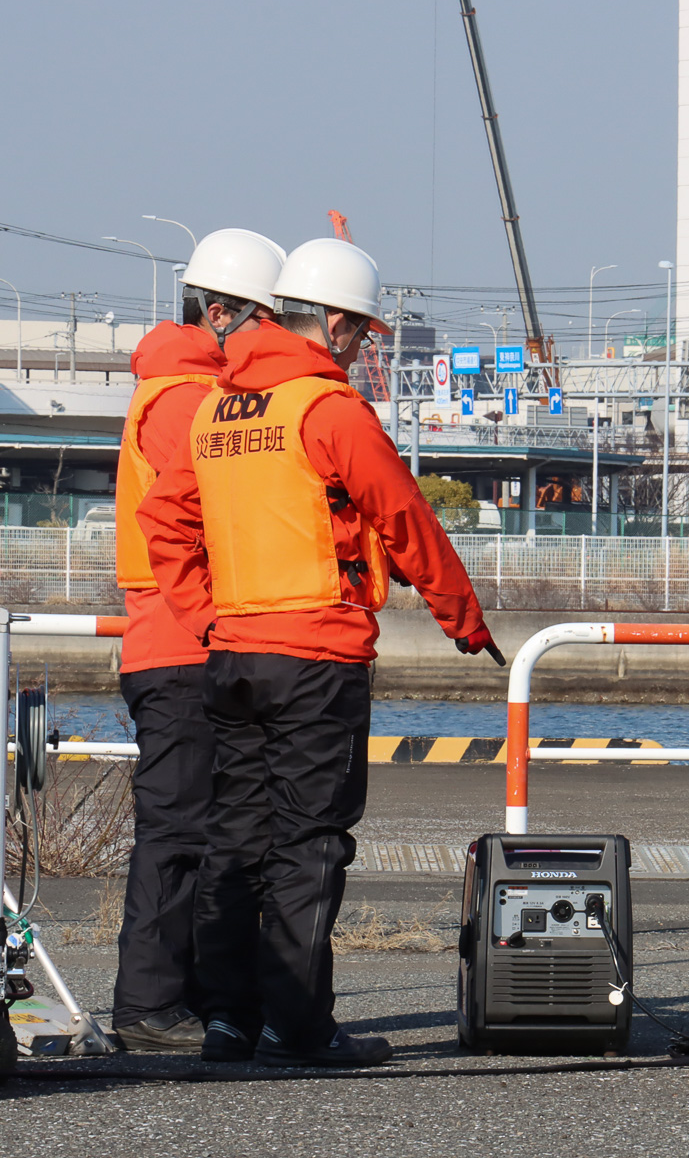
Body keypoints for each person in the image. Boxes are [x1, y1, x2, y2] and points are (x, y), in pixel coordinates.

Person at [140, 238, 502, 1067]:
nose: (364, 348)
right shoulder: (327, 410)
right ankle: (299, 1026)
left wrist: (206, 617)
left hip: (233, 656)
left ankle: (227, 1019)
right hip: (318, 657)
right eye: (363, 334)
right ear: (334, 322)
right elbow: (405, 516)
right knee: (310, 844)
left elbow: (164, 523)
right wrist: (464, 620)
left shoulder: (217, 411)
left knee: (235, 839)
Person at [110, 229, 285, 1052]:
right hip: (184, 641)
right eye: (261, 320)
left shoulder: (183, 384)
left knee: (195, 830)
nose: (271, 338)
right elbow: (198, 523)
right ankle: (149, 1006)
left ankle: (190, 1002)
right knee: (181, 833)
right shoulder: (185, 395)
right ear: (218, 312)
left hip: (179, 640)